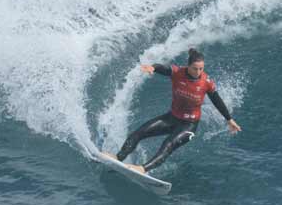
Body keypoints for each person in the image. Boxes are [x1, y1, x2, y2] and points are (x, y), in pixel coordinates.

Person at [102, 47, 242, 175]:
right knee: (138, 133)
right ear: (188, 66)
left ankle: (143, 169)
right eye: (195, 68)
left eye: (201, 69)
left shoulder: (206, 83)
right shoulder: (178, 72)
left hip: (189, 125)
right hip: (172, 118)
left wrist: (229, 119)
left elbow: (217, 100)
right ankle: (118, 158)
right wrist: (152, 67)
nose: (198, 72)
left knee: (167, 145)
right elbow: (162, 68)